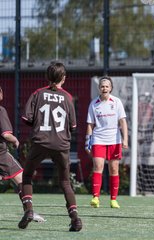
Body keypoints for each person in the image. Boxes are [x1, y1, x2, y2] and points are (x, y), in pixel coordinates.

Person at [19, 62, 82, 231]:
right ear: (63, 78)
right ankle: (75, 218)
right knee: (65, 181)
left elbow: (26, 118)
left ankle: (29, 210)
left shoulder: (37, 93)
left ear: (47, 77)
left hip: (41, 141)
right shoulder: (68, 97)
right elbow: (73, 126)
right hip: (61, 144)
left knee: (26, 177)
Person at [0, 86, 45, 223]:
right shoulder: (1, 110)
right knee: (22, 179)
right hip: (1, 154)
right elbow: (6, 134)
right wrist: (15, 140)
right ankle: (29, 211)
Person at [85, 76, 128, 209]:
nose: (104, 88)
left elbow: (123, 122)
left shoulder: (117, 102)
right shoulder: (94, 104)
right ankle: (95, 198)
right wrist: (88, 142)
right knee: (98, 167)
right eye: (102, 86)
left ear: (111, 88)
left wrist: (125, 139)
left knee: (114, 169)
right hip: (98, 139)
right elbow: (90, 125)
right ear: (99, 88)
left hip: (114, 140)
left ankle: (113, 199)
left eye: (107, 86)